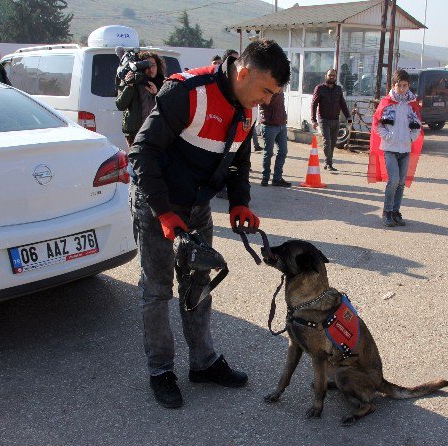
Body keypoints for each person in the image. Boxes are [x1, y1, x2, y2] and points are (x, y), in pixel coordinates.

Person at [128, 39, 290, 409]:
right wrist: (164, 212)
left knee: (199, 284)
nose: (267, 101)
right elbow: (142, 151)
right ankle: (160, 371)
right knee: (156, 290)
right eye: (265, 90)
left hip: (197, 207)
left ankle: (203, 363)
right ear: (244, 73)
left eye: (273, 94)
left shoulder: (248, 108)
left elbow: (239, 162)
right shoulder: (186, 91)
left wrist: (240, 203)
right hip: (160, 205)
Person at [368, 69, 424, 227]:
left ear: (409, 86)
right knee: (393, 180)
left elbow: (417, 126)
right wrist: (388, 136)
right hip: (389, 148)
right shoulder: (386, 102)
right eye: (399, 85)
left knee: (401, 183)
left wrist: (410, 138)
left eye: (405, 86)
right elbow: (377, 124)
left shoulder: (411, 104)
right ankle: (386, 212)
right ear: (394, 85)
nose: (402, 89)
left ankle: (395, 211)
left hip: (405, 149)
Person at [115, 52, 165, 147]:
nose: (151, 69)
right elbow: (120, 105)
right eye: (147, 65)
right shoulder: (130, 81)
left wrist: (156, 94)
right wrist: (129, 86)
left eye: (153, 65)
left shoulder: (163, 83)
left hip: (155, 132)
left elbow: (168, 108)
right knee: (138, 160)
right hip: (135, 133)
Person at [311, 69, 352, 171]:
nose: (332, 77)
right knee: (327, 142)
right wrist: (313, 120)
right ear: (326, 76)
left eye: (334, 75)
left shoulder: (338, 89)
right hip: (324, 120)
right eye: (330, 75)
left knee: (333, 143)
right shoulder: (319, 88)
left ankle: (328, 162)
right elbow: (314, 104)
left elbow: (342, 104)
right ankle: (328, 163)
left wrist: (348, 117)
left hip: (335, 120)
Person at [259, 91, 291, 187]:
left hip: (281, 125)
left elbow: (281, 106)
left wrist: (284, 117)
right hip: (269, 125)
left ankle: (277, 178)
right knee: (268, 153)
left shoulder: (281, 90)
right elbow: (263, 104)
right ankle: (265, 178)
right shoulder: (268, 88)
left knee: (283, 152)